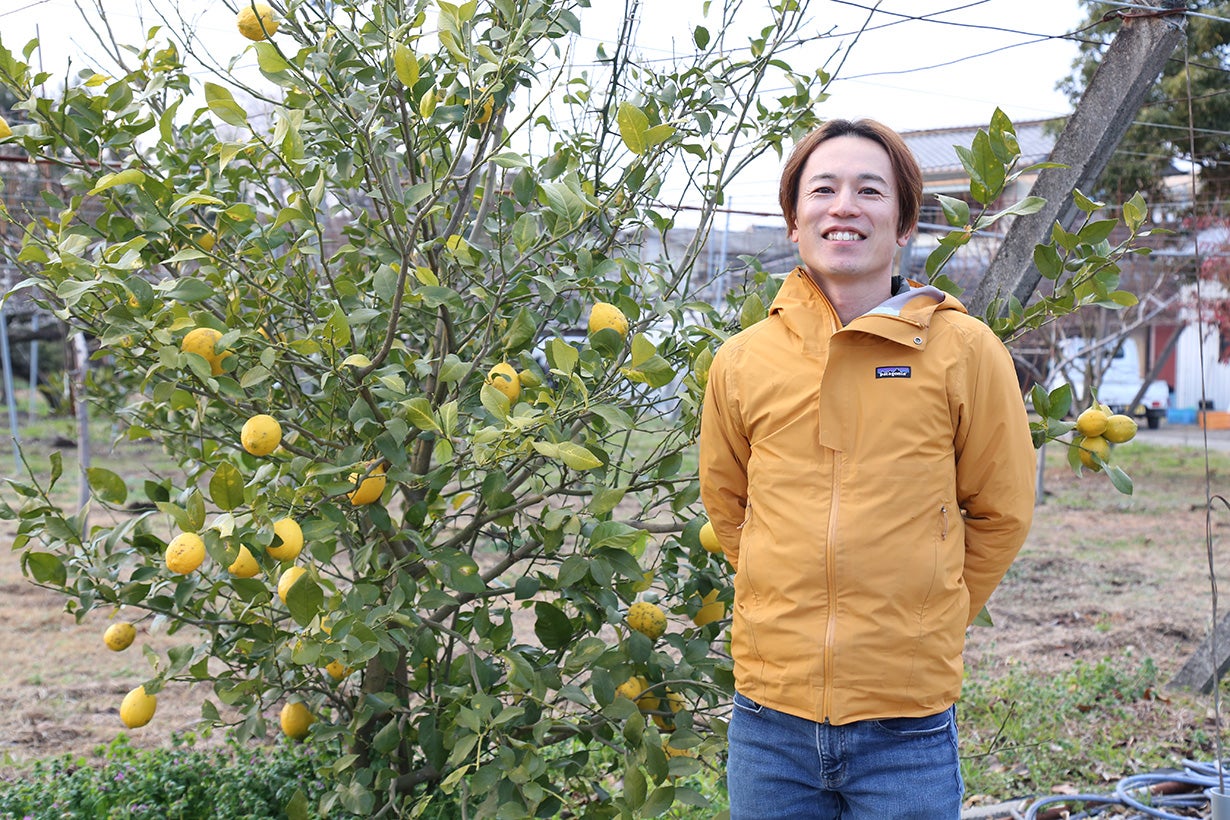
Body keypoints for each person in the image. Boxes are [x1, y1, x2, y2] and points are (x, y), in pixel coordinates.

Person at [698, 118, 1036, 819]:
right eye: (823, 189)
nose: (844, 206)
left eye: (870, 191)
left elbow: (1001, 511)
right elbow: (729, 509)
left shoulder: (965, 351)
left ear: (904, 222)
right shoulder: (742, 361)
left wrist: (929, 620)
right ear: (794, 221)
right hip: (769, 724)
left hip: (905, 730)